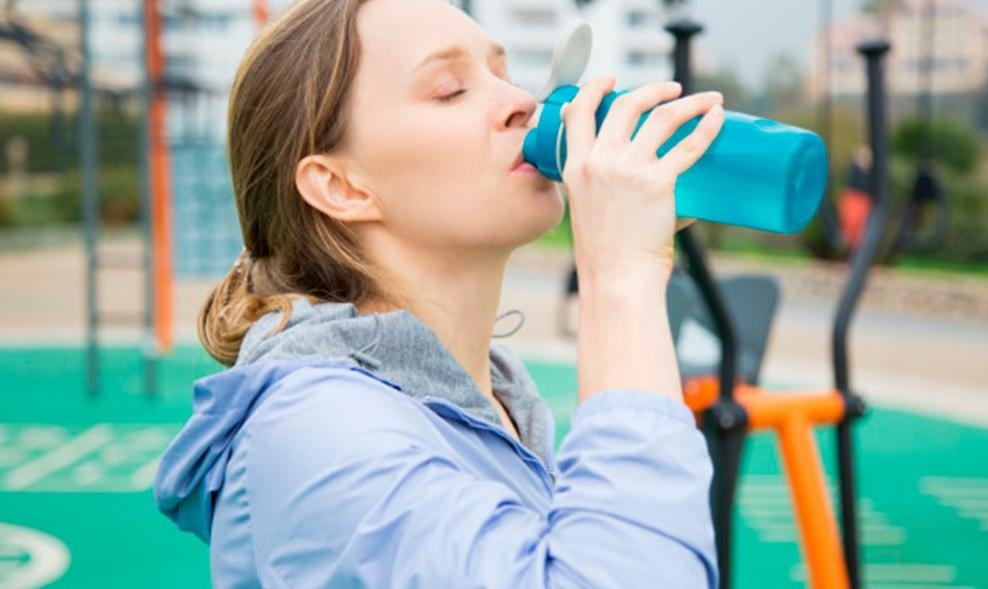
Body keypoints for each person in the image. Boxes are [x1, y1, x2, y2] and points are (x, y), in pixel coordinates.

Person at [152, 0, 725, 586]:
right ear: (341, 186)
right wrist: (621, 277)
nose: (522, 101)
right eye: (451, 90)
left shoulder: (496, 399)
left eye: (502, 75)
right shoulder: (315, 428)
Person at [838, 144, 874, 250]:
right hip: (854, 199)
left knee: (861, 229)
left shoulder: (871, 173)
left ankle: (858, 250)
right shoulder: (854, 170)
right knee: (851, 225)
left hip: (864, 201)